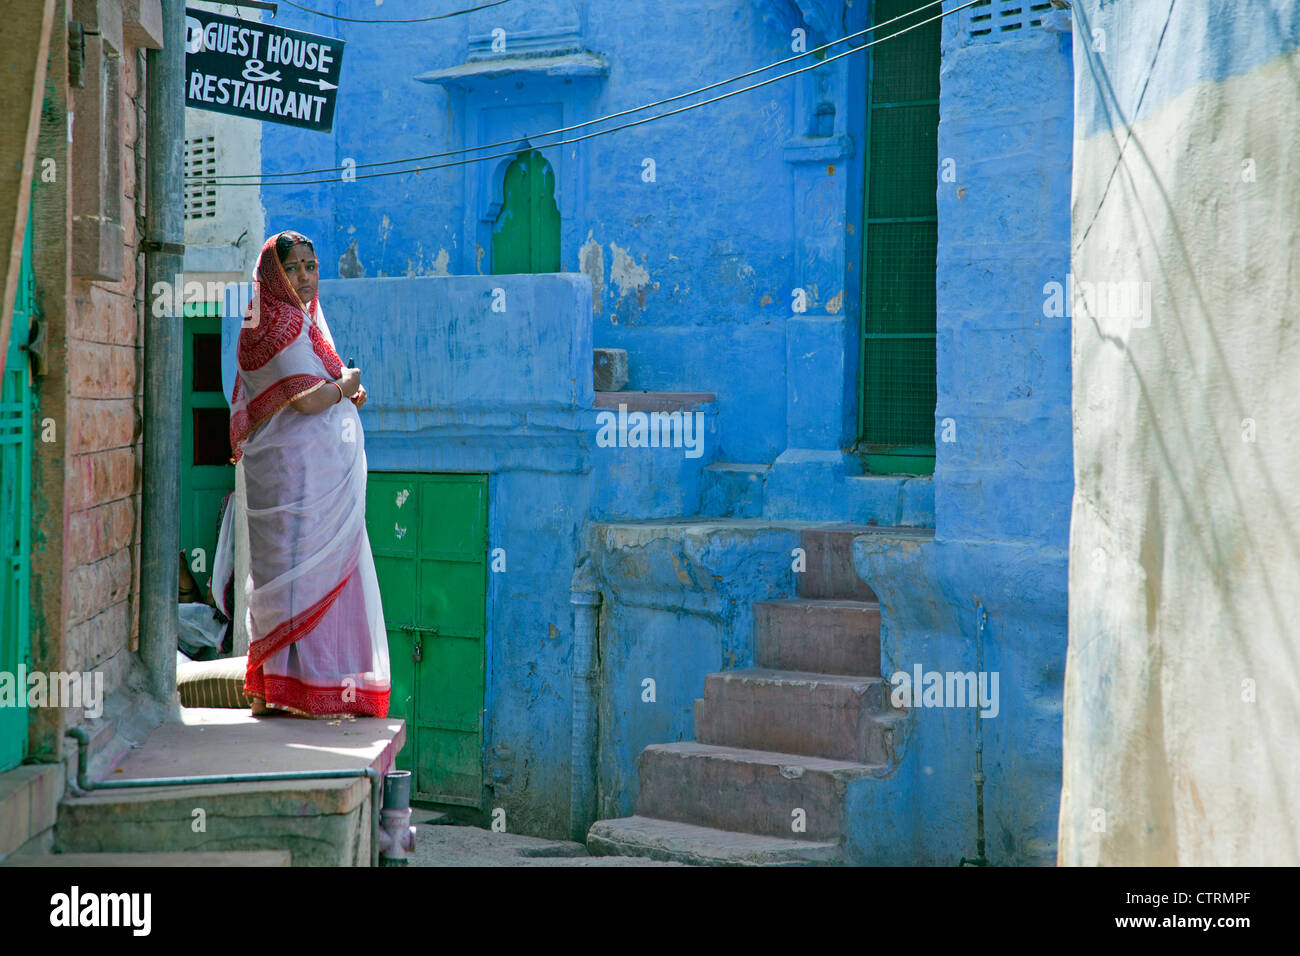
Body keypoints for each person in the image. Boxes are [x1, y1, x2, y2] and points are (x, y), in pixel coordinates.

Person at [228, 230, 390, 718]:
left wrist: (340, 390)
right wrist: (343, 389)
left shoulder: (299, 321)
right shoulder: (276, 323)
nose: (303, 277)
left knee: (307, 574)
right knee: (296, 575)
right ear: (273, 275)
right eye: (293, 268)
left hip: (309, 475)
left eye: (310, 266)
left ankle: (295, 687)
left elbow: (319, 385)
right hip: (295, 477)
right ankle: (290, 689)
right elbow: (307, 397)